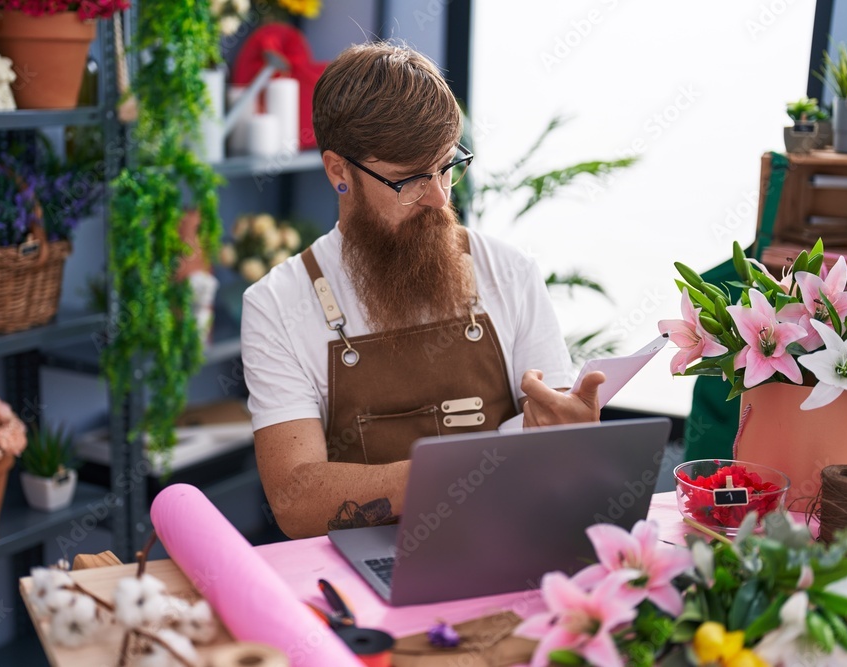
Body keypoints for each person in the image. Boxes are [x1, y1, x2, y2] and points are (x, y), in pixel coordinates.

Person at [241, 42, 605, 539]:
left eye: (446, 166)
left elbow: (554, 439)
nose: (437, 197)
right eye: (408, 179)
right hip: (360, 570)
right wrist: (466, 471)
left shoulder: (510, 272)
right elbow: (297, 500)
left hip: (507, 539)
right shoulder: (277, 305)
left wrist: (566, 434)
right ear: (338, 171)